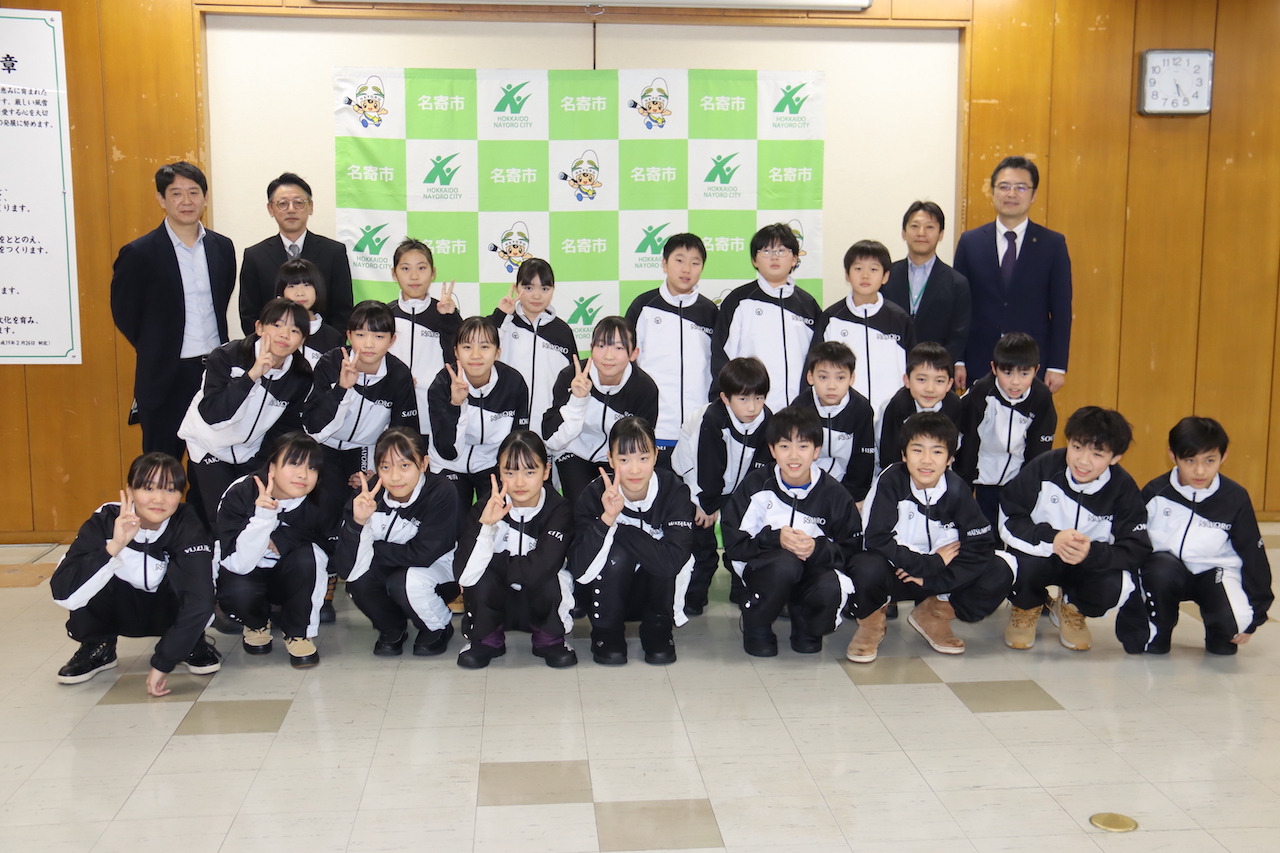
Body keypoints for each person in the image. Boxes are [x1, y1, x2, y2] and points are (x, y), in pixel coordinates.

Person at [50, 453, 220, 696]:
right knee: (92, 569)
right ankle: (98, 644)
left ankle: (187, 643)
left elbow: (201, 602)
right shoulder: (105, 520)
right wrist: (114, 547)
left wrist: (163, 663)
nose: (159, 499)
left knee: (195, 583)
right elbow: (64, 593)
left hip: (165, 612)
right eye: (148, 488)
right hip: (117, 608)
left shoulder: (186, 522)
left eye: (170, 490)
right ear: (130, 490)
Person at [849, 413, 1012, 662]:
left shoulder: (957, 490)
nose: (926, 460)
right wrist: (928, 563)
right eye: (917, 450)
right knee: (864, 565)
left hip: (938, 577)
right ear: (904, 454)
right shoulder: (890, 481)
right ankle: (871, 624)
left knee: (999, 568)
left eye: (937, 451)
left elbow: (980, 545)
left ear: (950, 459)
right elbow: (876, 539)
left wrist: (935, 579)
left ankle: (934, 614)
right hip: (899, 571)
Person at [110, 161, 235, 461]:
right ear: (161, 199)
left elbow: (223, 297)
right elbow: (125, 313)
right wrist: (157, 346)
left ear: (205, 197)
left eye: (193, 192)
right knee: (163, 464)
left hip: (215, 371)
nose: (186, 201)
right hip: (166, 375)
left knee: (212, 465)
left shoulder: (222, 247)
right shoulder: (139, 253)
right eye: (176, 193)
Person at [1117, 417, 1273, 656]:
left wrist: (1257, 612)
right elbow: (1131, 546)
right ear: (1173, 455)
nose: (1200, 471)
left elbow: (1253, 554)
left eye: (1209, 461)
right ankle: (1160, 629)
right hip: (1165, 573)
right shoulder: (1155, 492)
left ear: (1224, 456)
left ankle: (1219, 630)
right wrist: (1132, 614)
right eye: (1190, 461)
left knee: (1232, 631)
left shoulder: (1235, 498)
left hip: (1213, 573)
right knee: (1159, 572)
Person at [1001, 406, 1150, 651]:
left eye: (1097, 454)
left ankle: (1072, 609)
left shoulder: (1122, 488)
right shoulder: (1044, 467)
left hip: (1087, 563)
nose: (1083, 461)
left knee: (1114, 582)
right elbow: (1010, 516)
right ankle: (1026, 607)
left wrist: (1092, 552)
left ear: (1115, 457)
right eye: (1077, 447)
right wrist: (1052, 538)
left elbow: (1136, 547)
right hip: (1042, 554)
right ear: (1068, 441)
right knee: (1018, 563)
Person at [721, 406, 862, 657]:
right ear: (772, 450)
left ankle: (805, 622)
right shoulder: (756, 485)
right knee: (785, 564)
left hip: (813, 571)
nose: (794, 455)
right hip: (766, 569)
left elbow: (851, 550)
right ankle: (757, 624)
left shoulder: (834, 493)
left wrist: (816, 548)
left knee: (828, 587)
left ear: (816, 451)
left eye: (803, 446)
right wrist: (775, 539)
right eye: (785, 446)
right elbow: (734, 543)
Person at [569, 417, 695, 665]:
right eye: (624, 460)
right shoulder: (595, 494)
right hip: (607, 594)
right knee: (617, 555)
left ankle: (658, 630)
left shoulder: (674, 490)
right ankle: (607, 633)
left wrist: (623, 531)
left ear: (656, 455)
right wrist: (606, 520)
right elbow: (579, 570)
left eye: (643, 458)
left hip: (654, 593)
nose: (635, 470)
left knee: (660, 555)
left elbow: (673, 561)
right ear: (610, 459)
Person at [178, 298, 313, 522]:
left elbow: (286, 428)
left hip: (251, 452)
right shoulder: (226, 356)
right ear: (259, 327)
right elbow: (213, 414)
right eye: (277, 325)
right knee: (222, 517)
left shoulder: (300, 375)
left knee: (253, 514)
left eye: (294, 330)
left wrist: (260, 463)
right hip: (209, 444)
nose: (284, 335)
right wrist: (251, 376)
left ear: (303, 339)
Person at [454, 431, 577, 668]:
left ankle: (549, 639)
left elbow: (541, 569)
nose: (519, 483)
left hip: (539, 599)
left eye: (530, 472)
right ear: (498, 473)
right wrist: (486, 527)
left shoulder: (559, 509)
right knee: (479, 577)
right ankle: (487, 639)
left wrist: (496, 562)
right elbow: (464, 575)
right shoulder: (485, 507)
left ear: (546, 471)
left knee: (551, 577)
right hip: (497, 601)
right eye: (510, 472)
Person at [332, 427, 459, 656]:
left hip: (438, 571)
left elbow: (424, 554)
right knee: (358, 579)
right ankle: (392, 628)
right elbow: (345, 567)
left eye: (405, 465)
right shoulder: (367, 494)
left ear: (423, 464)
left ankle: (438, 625)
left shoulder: (441, 491)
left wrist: (372, 549)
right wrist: (358, 523)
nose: (395, 476)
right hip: (391, 565)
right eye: (385, 467)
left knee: (403, 582)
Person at [212, 433, 332, 668]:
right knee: (238, 590)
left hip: (288, 577)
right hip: (247, 572)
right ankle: (256, 623)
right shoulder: (241, 492)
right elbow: (236, 562)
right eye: (294, 463)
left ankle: (298, 632)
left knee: (311, 556)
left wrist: (283, 539)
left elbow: (332, 548)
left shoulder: (322, 500)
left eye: (312, 467)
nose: (303, 474)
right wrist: (262, 519)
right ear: (272, 467)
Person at [954, 156, 1072, 393]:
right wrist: (958, 360)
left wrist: (1057, 366)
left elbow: (1061, 309)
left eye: (1021, 187)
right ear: (992, 191)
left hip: (1032, 361)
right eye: (1004, 186)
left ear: (1033, 195)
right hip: (979, 356)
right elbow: (958, 307)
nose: (1011, 194)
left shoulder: (1052, 244)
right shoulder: (970, 242)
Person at [671, 356, 772, 615]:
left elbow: (760, 471)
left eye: (759, 398)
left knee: (742, 535)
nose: (752, 407)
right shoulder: (711, 418)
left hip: (740, 487)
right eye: (743, 399)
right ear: (726, 398)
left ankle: (741, 587)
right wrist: (704, 504)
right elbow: (704, 466)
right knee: (700, 540)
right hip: (696, 482)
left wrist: (746, 505)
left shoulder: (768, 422)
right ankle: (695, 592)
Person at [304, 300, 418, 519]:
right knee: (321, 504)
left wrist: (380, 470)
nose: (369, 344)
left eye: (379, 336)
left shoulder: (398, 374)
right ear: (348, 335)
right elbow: (313, 426)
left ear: (392, 340)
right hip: (323, 444)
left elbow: (403, 433)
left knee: (364, 500)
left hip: (365, 450)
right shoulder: (330, 363)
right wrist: (341, 389)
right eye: (360, 335)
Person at [625, 233, 718, 468]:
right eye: (679, 260)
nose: (686, 269)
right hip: (653, 427)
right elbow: (627, 364)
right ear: (665, 264)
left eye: (695, 262)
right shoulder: (643, 307)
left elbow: (718, 367)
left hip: (698, 429)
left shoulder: (710, 312)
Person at [543, 316, 659, 505]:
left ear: (634, 353)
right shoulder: (571, 376)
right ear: (591, 347)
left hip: (619, 458)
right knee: (582, 507)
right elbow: (552, 441)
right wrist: (577, 400)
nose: (608, 356)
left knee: (617, 508)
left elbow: (640, 444)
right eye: (601, 345)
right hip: (574, 453)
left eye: (619, 348)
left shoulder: (644, 388)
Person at [712, 223, 822, 412]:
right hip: (750, 411)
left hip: (799, 413)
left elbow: (819, 362)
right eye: (766, 250)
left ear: (794, 259)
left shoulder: (808, 305)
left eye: (782, 250)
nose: (774, 257)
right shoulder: (739, 301)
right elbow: (722, 357)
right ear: (754, 260)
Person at [427, 316, 530, 512]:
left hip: (493, 463)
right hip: (449, 464)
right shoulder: (443, 384)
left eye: (484, 347)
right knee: (452, 515)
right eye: (467, 347)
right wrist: (456, 406)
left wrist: (507, 474)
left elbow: (517, 440)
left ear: (497, 352)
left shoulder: (513, 383)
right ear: (456, 352)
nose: (475, 355)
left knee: (497, 515)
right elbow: (447, 451)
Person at [955, 332, 1057, 527]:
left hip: (1018, 477)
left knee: (1014, 527)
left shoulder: (1041, 397)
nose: (1015, 382)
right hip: (983, 478)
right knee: (986, 529)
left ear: (1036, 370)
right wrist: (964, 485)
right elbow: (968, 441)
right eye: (1008, 373)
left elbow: (1039, 449)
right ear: (994, 368)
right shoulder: (981, 393)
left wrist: (1030, 486)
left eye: (1024, 374)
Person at [238, 172, 354, 334]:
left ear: (310, 207)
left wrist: (327, 343)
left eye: (298, 203)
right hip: (272, 346)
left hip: (323, 346)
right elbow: (249, 314)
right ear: (271, 209)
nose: (291, 209)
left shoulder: (334, 252)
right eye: (283, 204)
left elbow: (343, 310)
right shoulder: (255, 256)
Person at [816, 239, 914, 422]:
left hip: (892, 417)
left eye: (874, 269)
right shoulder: (831, 318)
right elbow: (816, 368)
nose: (865, 275)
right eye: (858, 268)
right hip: (845, 418)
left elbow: (913, 369)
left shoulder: (900, 319)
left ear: (885, 276)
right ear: (847, 274)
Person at [883, 201, 971, 382]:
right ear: (903, 233)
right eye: (915, 226)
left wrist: (933, 370)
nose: (921, 233)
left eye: (929, 227)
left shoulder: (957, 283)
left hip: (935, 377)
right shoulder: (885, 276)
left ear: (941, 234)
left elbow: (959, 336)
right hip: (890, 371)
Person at [387, 239, 461, 440]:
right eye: (405, 268)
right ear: (394, 273)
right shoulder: (385, 314)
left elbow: (457, 359)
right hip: (391, 416)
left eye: (421, 268)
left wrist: (450, 319)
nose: (414, 276)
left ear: (433, 272)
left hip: (434, 414)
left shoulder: (445, 313)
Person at [491, 258, 576, 436]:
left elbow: (571, 381)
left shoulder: (562, 331)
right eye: (528, 288)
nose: (536, 296)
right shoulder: (502, 323)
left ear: (553, 290)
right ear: (516, 288)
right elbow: (483, 358)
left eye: (544, 289)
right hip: (504, 425)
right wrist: (501, 317)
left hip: (549, 430)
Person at [790, 341, 876, 504]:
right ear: (810, 377)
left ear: (852, 378)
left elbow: (863, 461)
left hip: (848, 490)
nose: (831, 386)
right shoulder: (800, 407)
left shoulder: (861, 409)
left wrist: (852, 500)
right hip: (807, 487)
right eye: (823, 377)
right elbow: (795, 455)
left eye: (840, 377)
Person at [878, 341, 963, 471]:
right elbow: (889, 453)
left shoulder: (954, 405)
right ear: (907, 380)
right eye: (921, 380)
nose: (929, 389)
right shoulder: (897, 405)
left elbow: (954, 447)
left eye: (939, 381)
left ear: (949, 384)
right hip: (900, 472)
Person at [275, 258, 346, 367]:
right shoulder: (273, 332)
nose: (300, 293)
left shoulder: (333, 337)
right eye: (292, 286)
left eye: (307, 285)